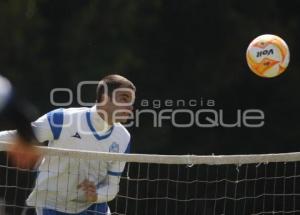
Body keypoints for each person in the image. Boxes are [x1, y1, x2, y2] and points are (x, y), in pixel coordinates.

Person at [0, 74, 136, 215]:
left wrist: (96, 195)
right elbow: (18, 137)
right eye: (124, 99)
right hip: (51, 204)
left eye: (131, 101)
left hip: (93, 207)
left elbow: (112, 187)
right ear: (104, 98)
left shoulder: (123, 138)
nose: (130, 107)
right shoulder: (64, 119)